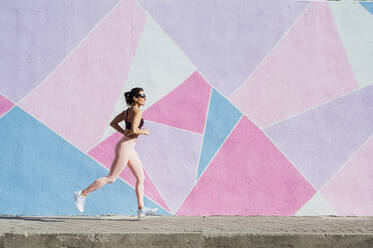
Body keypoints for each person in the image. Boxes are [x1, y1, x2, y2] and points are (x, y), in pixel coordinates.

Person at [74, 87, 159, 218]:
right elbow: (134, 130)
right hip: (125, 146)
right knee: (111, 178)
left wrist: (125, 132)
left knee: (141, 178)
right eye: (143, 95)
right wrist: (144, 131)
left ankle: (141, 209)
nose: (145, 98)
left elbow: (114, 123)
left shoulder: (127, 112)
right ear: (135, 98)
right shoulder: (138, 112)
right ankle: (82, 194)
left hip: (128, 146)